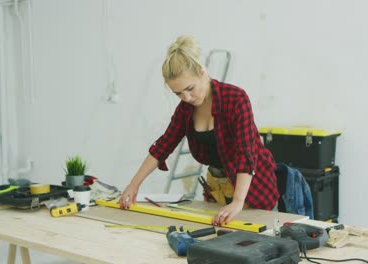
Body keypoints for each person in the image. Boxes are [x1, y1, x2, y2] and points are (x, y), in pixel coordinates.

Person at [119, 35, 279, 226]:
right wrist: (133, 185)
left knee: (253, 244)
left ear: (202, 72)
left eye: (190, 88)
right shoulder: (185, 109)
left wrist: (238, 202)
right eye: (178, 93)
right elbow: (163, 146)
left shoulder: (236, 99)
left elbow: (246, 155)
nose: (186, 97)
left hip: (251, 188)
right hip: (216, 187)